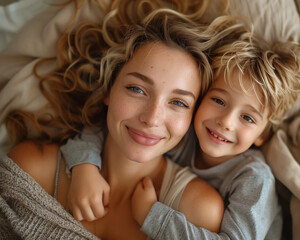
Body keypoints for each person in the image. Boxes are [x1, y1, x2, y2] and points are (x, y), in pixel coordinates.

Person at [0, 7, 239, 239]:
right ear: (109, 90)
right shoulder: (31, 169)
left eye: (178, 103)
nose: (152, 118)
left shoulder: (198, 213)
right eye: (137, 89)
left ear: (192, 116)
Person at [60, 16, 300, 240]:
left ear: (262, 135)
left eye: (248, 118)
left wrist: (152, 216)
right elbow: (102, 129)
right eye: (219, 101)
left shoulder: (253, 178)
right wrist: (84, 167)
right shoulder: (187, 133)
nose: (226, 122)